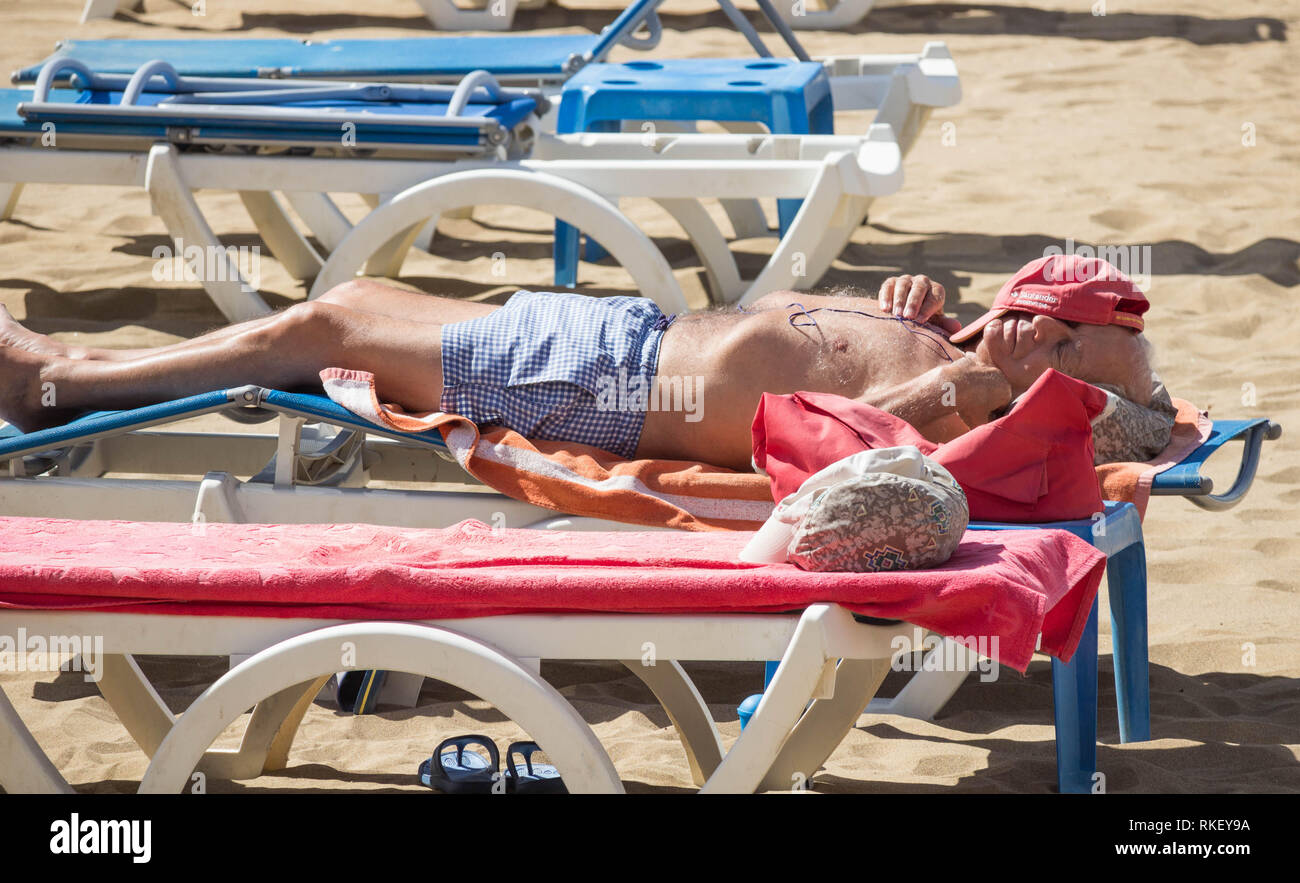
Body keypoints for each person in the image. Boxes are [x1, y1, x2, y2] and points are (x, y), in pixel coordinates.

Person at [0, 254, 1158, 471]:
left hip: (606, 387)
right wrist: (904, 317)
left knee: (326, 332)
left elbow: (841, 454)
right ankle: (86, 360)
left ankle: (57, 380)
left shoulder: (976, 402)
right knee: (345, 308)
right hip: (617, 341)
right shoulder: (952, 337)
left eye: (1048, 326)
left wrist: (969, 381)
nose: (1020, 316)